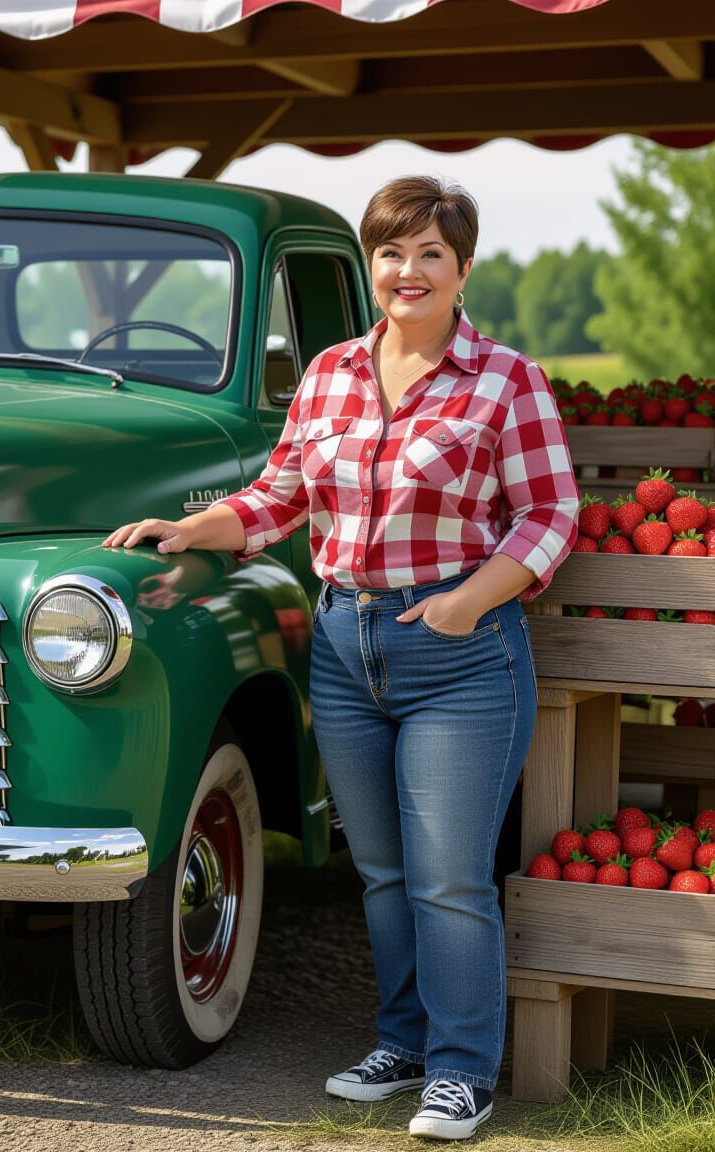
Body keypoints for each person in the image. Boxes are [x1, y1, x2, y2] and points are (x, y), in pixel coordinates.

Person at [103, 175, 580, 1142]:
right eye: (391, 254)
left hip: (460, 655)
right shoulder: (329, 373)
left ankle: (461, 1072)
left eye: (429, 254)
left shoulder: (505, 380)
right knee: (386, 873)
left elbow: (550, 515)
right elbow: (279, 496)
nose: (408, 272)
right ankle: (403, 1041)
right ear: (371, 266)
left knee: (448, 873)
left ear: (462, 269)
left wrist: (463, 604)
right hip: (343, 646)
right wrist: (189, 527)